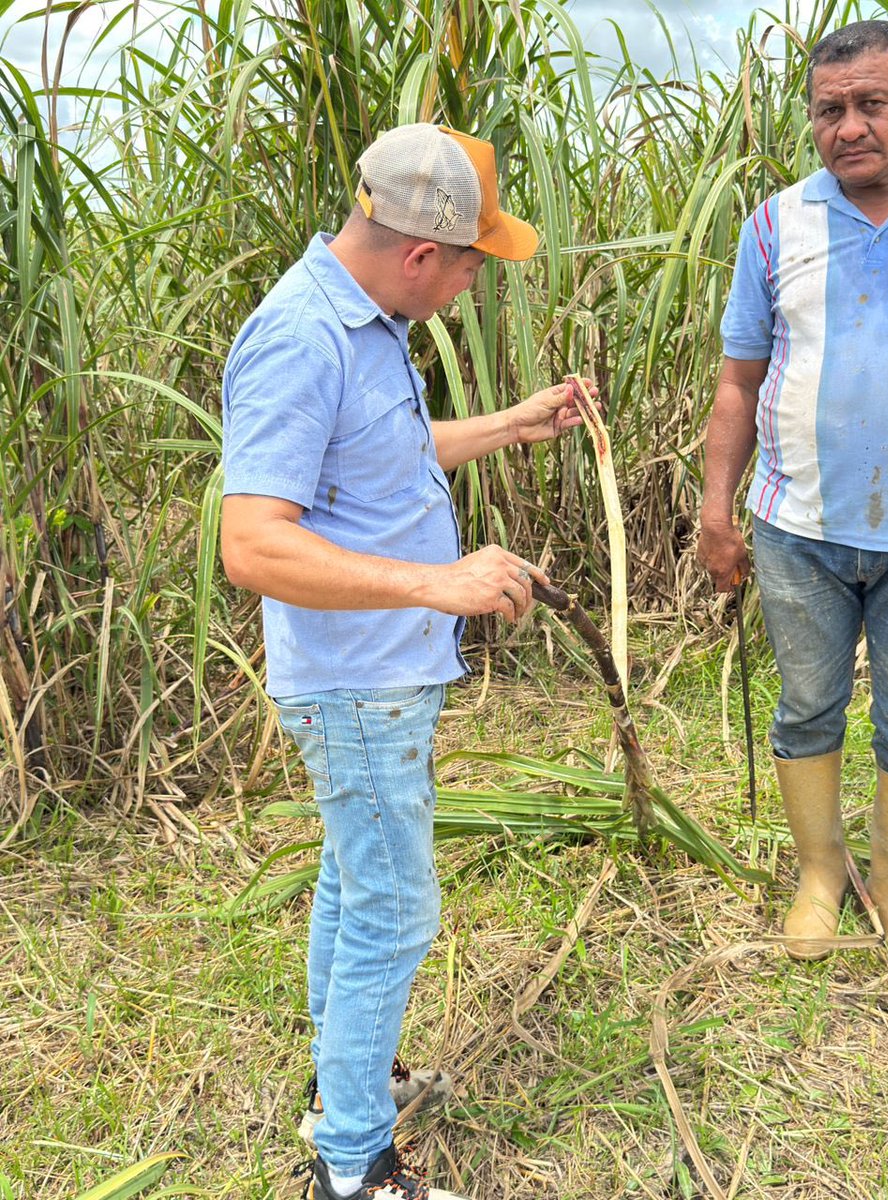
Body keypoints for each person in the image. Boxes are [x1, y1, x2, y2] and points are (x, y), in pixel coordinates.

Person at [220, 123, 592, 1200]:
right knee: (394, 908)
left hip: (382, 675)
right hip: (356, 683)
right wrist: (440, 583)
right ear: (424, 254)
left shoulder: (369, 321)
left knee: (354, 878)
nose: (480, 280)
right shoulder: (301, 337)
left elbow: (380, 454)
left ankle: (346, 1082)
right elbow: (253, 543)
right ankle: (353, 1166)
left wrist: (506, 426)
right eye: (477, 260)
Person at [698, 20, 888, 964]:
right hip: (798, 529)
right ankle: (821, 873)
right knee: (809, 705)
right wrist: (714, 509)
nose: (849, 126)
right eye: (830, 110)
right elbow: (738, 381)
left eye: (872, 103)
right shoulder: (778, 225)